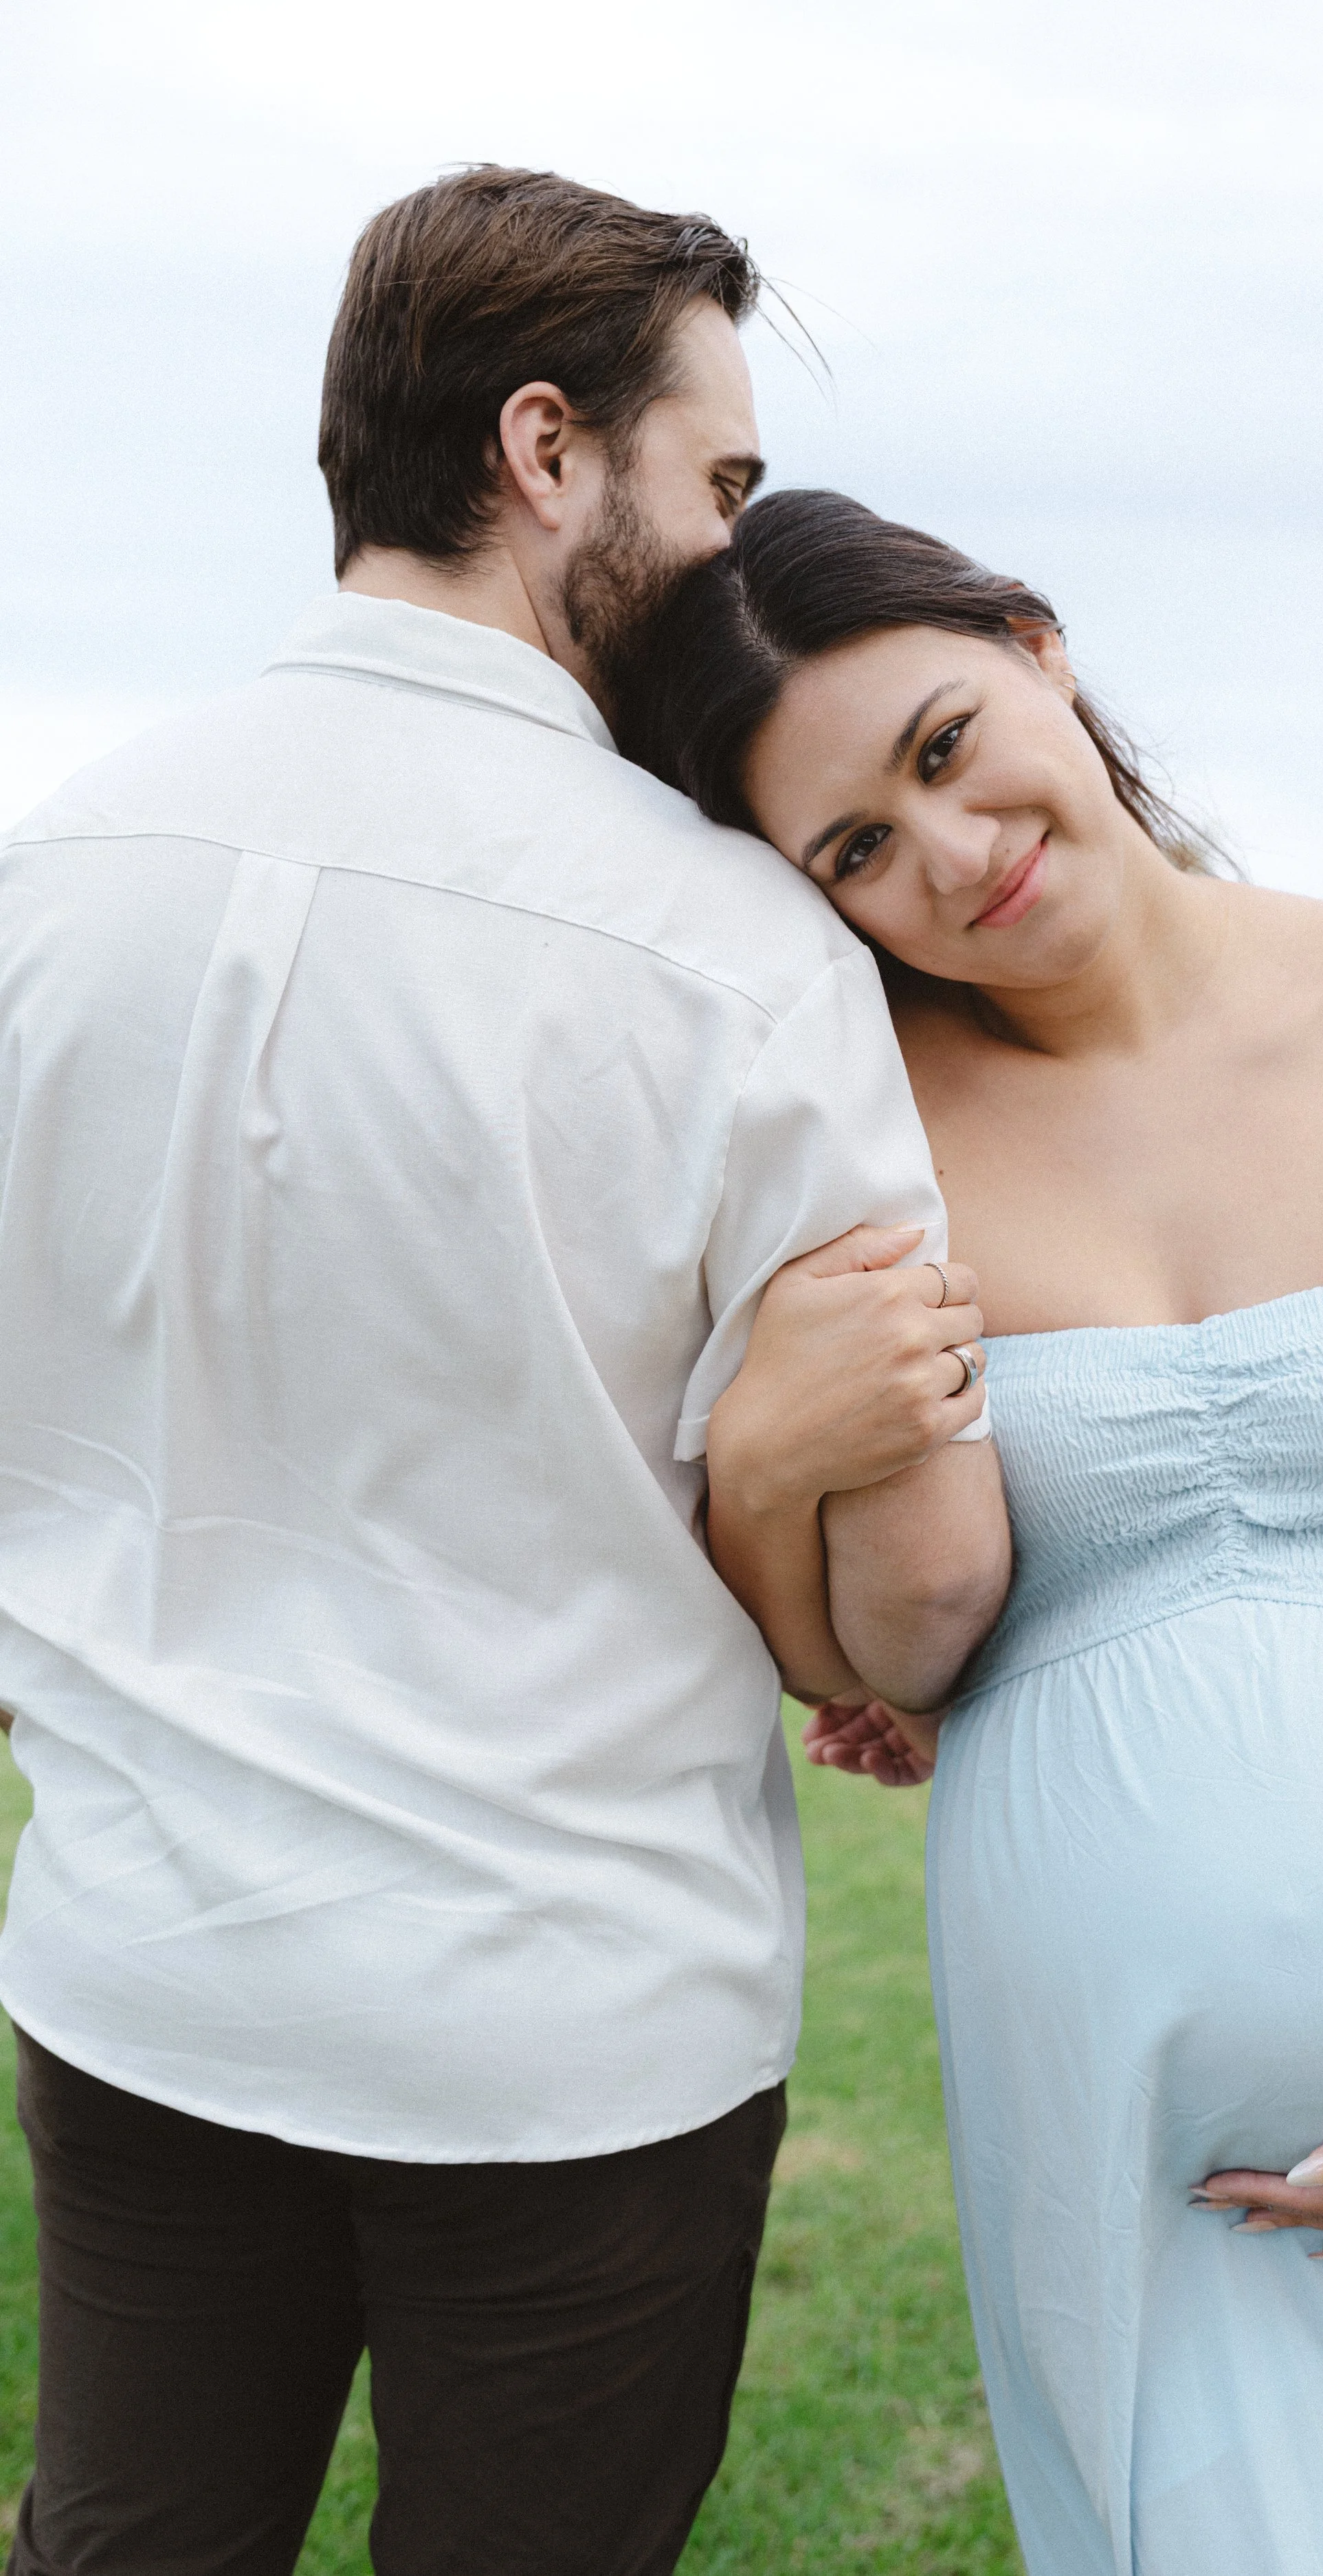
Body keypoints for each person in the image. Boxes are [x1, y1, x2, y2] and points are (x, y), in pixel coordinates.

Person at [0, 186, 1009, 2575]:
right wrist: (785, 1499)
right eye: (723, 483)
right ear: (550, 453)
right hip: (576, 2025)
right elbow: (922, 1605)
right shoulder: (740, 954)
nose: (732, 548)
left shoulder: (47, 879)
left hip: (145, 1962)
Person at [616, 487, 1323, 2575]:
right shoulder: (861, 1143)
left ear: (1033, 645)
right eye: (852, 848)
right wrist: (770, 1476)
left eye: (942, 748)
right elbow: (869, 1653)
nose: (948, 857)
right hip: (1145, 2157)